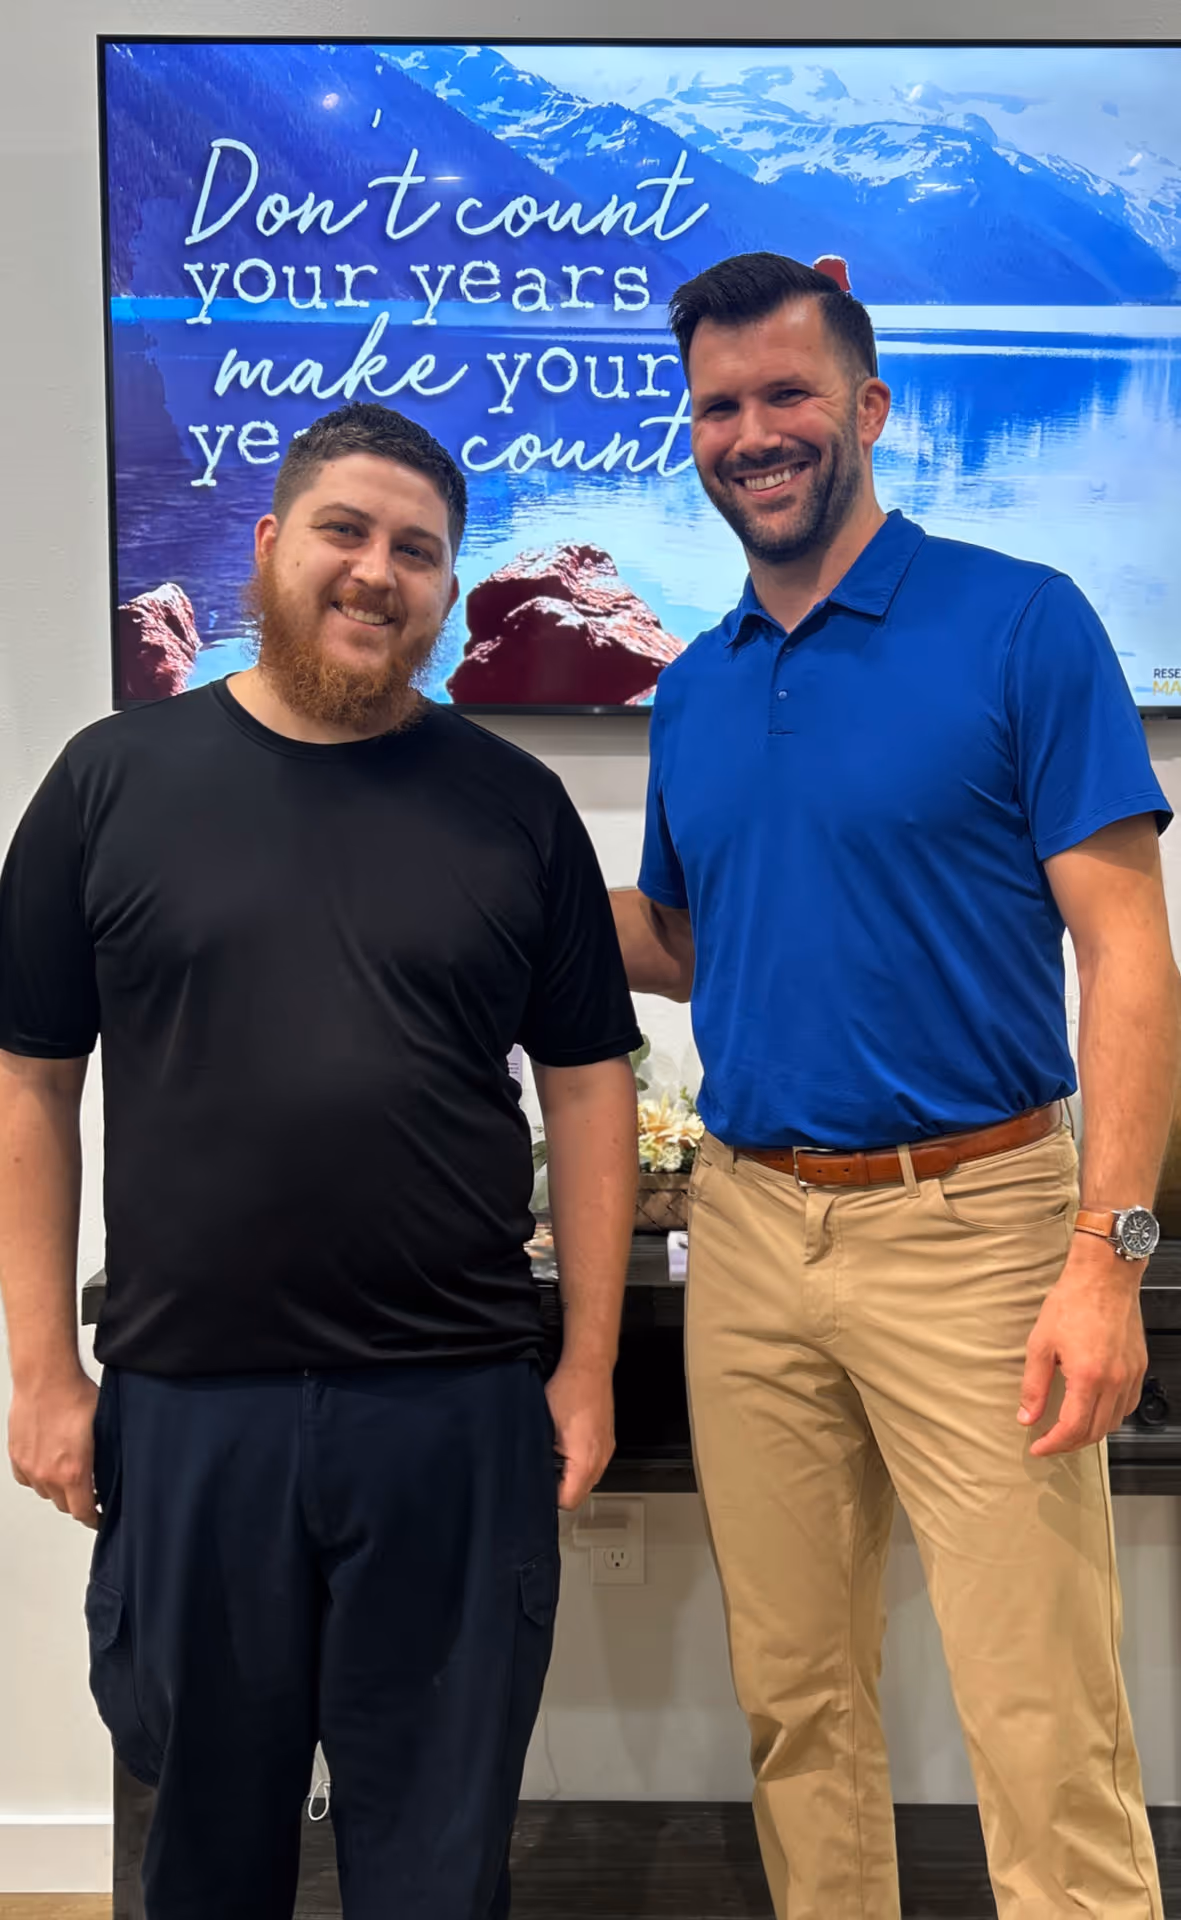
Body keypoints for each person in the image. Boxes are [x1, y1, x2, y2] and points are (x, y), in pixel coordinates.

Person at [0, 401, 641, 1920]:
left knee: (437, 1864)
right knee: (202, 1855)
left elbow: (589, 1089)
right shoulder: (107, 782)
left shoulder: (515, 806)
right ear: (271, 545)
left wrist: (589, 1364)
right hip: (188, 1409)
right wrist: (41, 1371)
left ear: (447, 589)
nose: (377, 572)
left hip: (453, 1409)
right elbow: (32, 1081)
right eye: (345, 533)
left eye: (417, 551)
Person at [612, 252, 1179, 1920]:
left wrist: (1109, 1254)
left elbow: (1128, 952)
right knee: (797, 1705)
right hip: (747, 1231)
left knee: (1042, 1716)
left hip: (980, 1226)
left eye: (788, 393)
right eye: (719, 405)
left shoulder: (1021, 621)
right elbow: (694, 943)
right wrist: (475, 875)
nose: (753, 433)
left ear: (867, 406)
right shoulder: (698, 684)